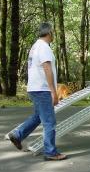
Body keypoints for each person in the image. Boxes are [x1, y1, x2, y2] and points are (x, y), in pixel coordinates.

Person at [7, 22, 67, 161]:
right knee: (49, 122)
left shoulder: (35, 46)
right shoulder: (44, 47)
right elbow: (47, 68)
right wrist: (53, 91)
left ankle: (17, 134)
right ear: (49, 32)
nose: (54, 35)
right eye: (53, 32)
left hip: (34, 88)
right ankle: (51, 152)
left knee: (38, 117)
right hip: (42, 89)